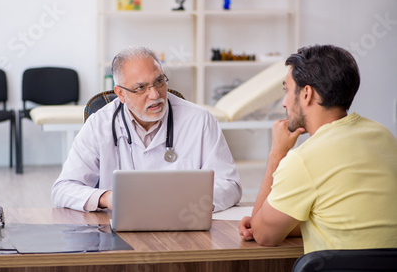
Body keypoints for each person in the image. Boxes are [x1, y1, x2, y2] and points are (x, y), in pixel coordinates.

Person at [238, 44, 397, 254]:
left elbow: (263, 235)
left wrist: (277, 153)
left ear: (306, 94)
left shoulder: (303, 159)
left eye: (286, 90)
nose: (284, 103)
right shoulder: (383, 135)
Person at [52, 47, 242, 212]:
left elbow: (230, 185)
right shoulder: (99, 125)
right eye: (141, 88)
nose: (155, 94)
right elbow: (63, 189)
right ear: (121, 94)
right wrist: (107, 198)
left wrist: (187, 203)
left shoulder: (200, 120)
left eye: (159, 81)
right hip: (118, 234)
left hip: (184, 226)